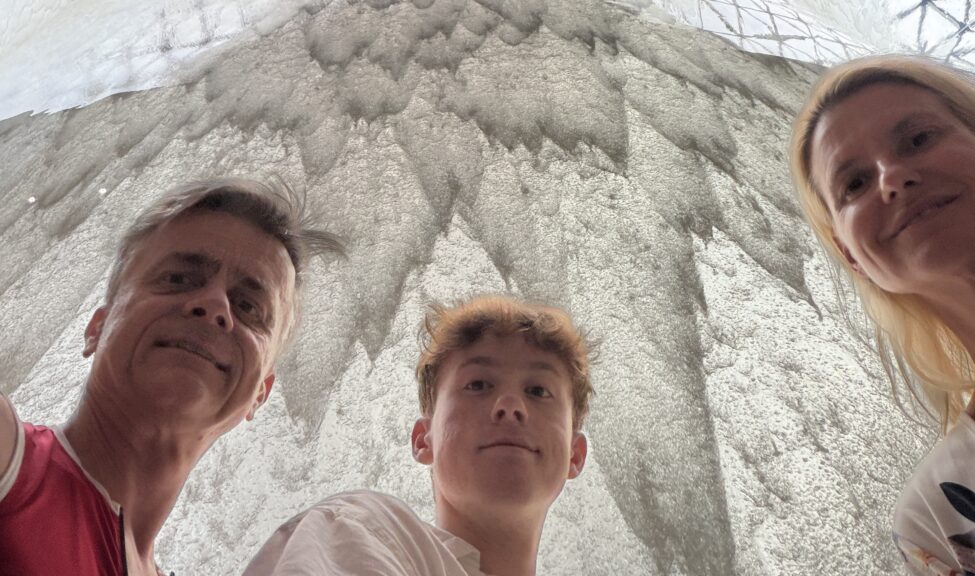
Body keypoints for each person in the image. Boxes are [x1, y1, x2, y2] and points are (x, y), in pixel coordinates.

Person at [0, 178, 343, 576]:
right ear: (97, 328)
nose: (214, 305)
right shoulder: (12, 463)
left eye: (248, 306)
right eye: (178, 279)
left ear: (260, 394)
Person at [790, 55, 975, 575]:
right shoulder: (938, 520)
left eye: (918, 139)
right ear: (854, 258)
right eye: (854, 184)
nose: (891, 177)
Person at [244, 295, 593, 576]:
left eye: (538, 391)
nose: (510, 405)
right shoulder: (364, 531)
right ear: (423, 439)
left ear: (575, 454)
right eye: (478, 385)